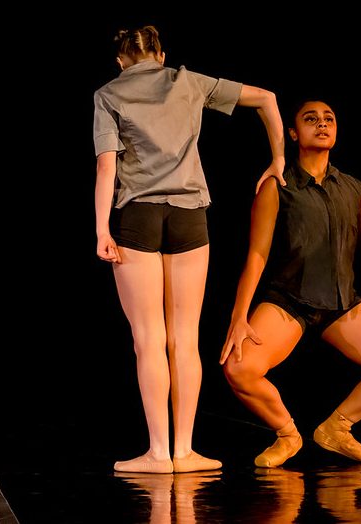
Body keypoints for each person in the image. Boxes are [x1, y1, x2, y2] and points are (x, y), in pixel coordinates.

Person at [93, 25, 286, 474]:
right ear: (160, 54)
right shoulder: (186, 80)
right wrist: (277, 160)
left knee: (148, 340)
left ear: (121, 60)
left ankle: (158, 454)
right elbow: (268, 98)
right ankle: (186, 451)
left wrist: (102, 227)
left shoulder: (108, 93)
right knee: (185, 339)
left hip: (137, 215)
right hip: (189, 215)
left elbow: (106, 167)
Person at [219, 99, 361, 468]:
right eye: (311, 119)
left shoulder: (355, 189)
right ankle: (287, 433)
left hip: (342, 303)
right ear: (293, 133)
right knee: (239, 367)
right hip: (288, 300)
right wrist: (239, 317)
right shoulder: (277, 185)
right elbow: (256, 254)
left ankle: (337, 428)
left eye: (329, 119)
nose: (322, 124)